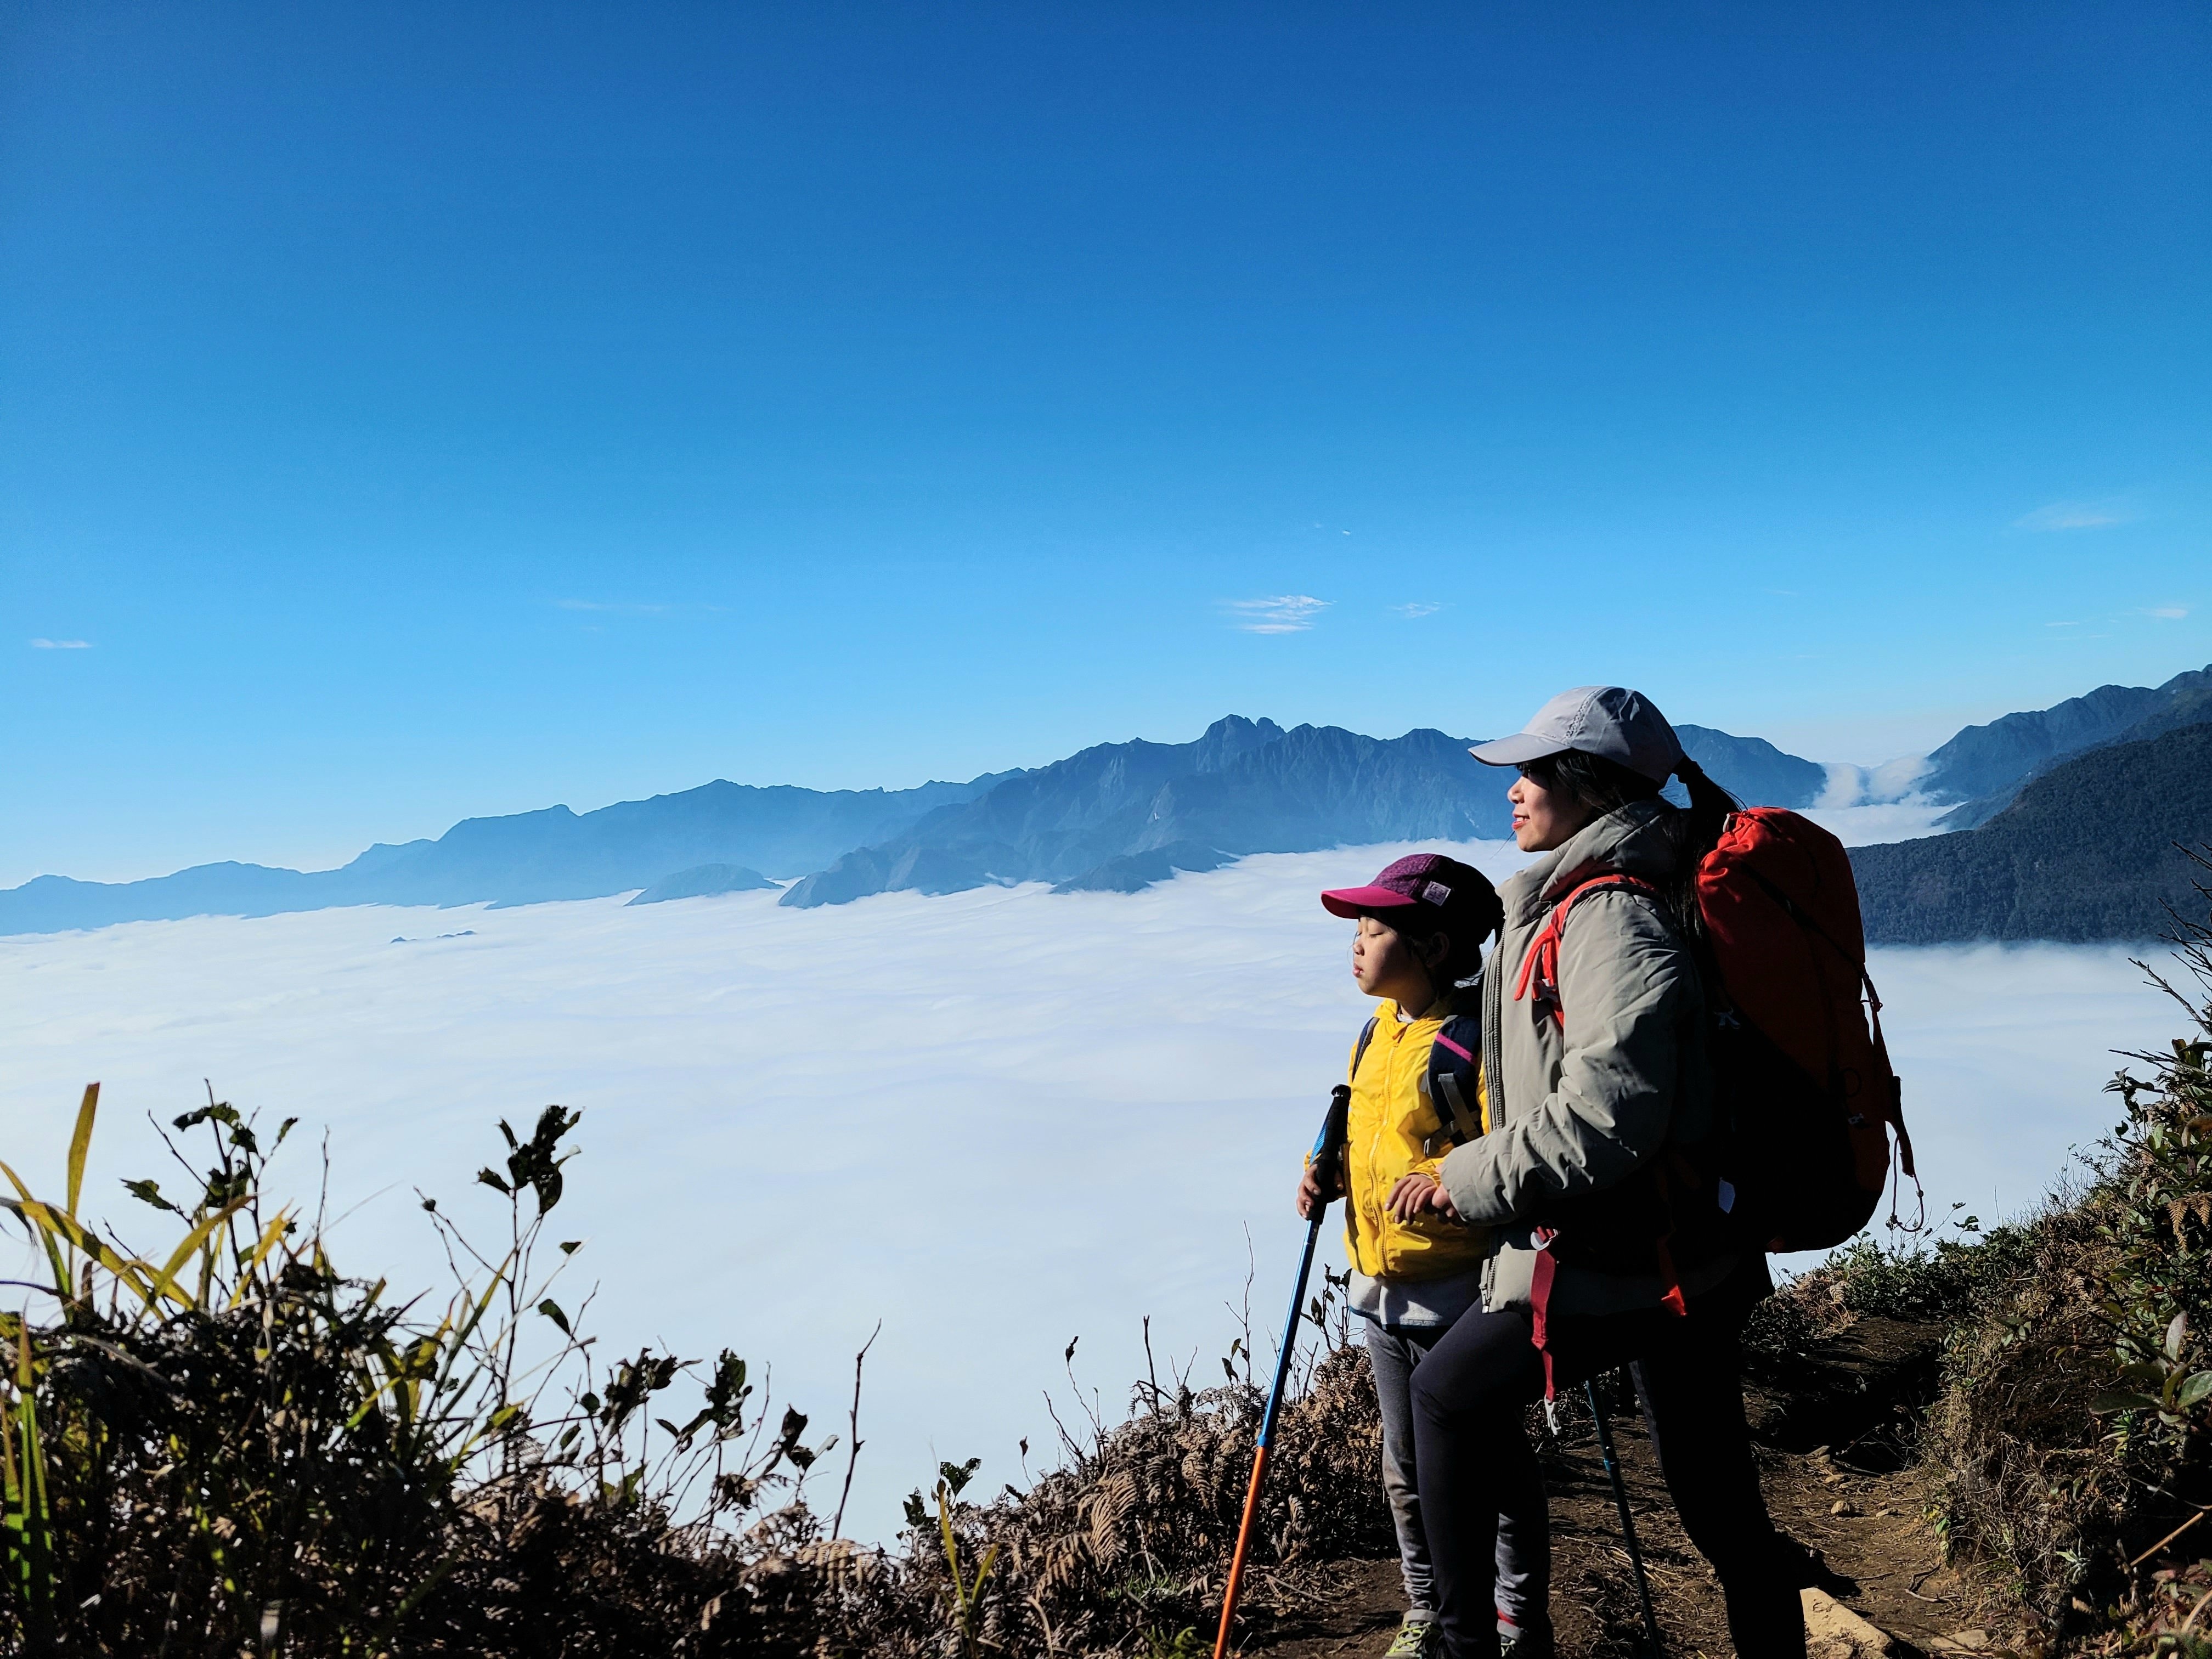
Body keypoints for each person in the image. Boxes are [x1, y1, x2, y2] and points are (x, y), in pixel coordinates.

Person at [1388, 687, 1808, 1659]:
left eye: (1534, 772)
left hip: (1634, 1253)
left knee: (1448, 1396)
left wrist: (1470, 1174)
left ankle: (1464, 1647)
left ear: (1588, 786)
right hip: (1687, 1244)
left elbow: (1612, 1109)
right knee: (1719, 1508)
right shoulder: (1597, 900)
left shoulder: (1609, 917)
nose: (1515, 791)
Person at [1302, 854, 1551, 1659]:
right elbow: (1372, 1146)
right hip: (1382, 1290)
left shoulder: (1471, 1043)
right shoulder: (1376, 1036)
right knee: (1407, 1470)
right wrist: (1327, 1180)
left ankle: (1515, 1617)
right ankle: (1429, 1605)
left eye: (1375, 930)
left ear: (1435, 946)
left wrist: (1449, 1178)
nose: (1357, 943)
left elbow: (1507, 1147)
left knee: (1497, 1472)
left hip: (1462, 1289)